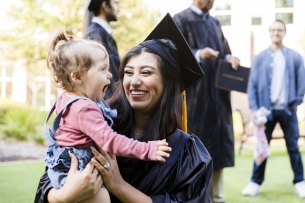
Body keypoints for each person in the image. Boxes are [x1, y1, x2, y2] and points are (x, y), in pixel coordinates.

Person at [34, 14, 213, 203]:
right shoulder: (99, 123)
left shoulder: (186, 151)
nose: (134, 81)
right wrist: (64, 196)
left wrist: (118, 185)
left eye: (146, 72)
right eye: (128, 72)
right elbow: (50, 179)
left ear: (169, 83)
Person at [44, 32, 172, 203]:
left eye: (146, 72)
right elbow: (110, 140)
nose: (110, 75)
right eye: (103, 69)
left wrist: (118, 184)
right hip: (79, 171)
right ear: (77, 77)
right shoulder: (85, 108)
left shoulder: (69, 100)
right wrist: (147, 149)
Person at [173, 1, 240, 202]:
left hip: (218, 97)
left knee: (218, 146)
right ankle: (194, 197)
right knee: (194, 147)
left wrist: (230, 57)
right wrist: (198, 54)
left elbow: (225, 49)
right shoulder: (180, 19)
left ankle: (218, 197)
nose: (211, 1)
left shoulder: (215, 23)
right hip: (194, 98)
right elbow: (172, 54)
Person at [243, 20, 305, 198]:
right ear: (269, 32)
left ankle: (300, 182)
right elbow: (252, 86)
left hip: (287, 110)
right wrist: (255, 109)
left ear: (284, 32)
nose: (276, 32)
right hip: (265, 113)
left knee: (293, 147)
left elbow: (302, 82)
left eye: (279, 29)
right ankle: (255, 182)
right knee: (261, 147)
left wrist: (295, 103)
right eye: (273, 29)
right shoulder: (259, 58)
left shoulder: (294, 57)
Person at [84, 0, 120, 96]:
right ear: (105, 5)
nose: (119, 9)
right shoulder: (95, 34)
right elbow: (99, 74)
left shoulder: (101, 32)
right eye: (116, 3)